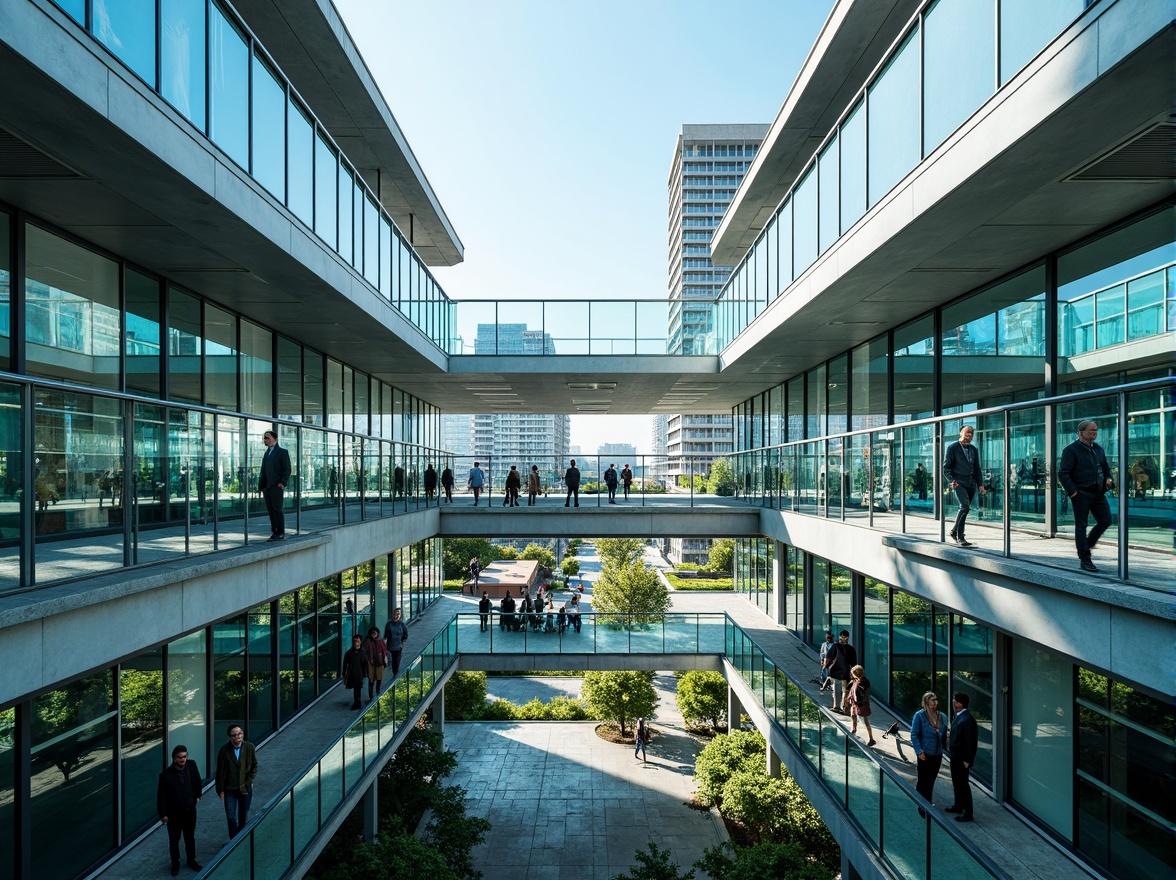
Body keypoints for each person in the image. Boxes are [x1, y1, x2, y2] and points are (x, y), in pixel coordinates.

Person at [1058, 420, 1114, 573]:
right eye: (1090, 431)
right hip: (1081, 493)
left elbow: (1106, 469)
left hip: (1098, 493)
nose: (1094, 433)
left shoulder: (1098, 449)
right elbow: (1063, 473)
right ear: (1080, 433)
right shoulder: (1071, 450)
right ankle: (1084, 558)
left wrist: (1109, 479)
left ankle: (1087, 544)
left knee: (1106, 520)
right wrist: (1073, 492)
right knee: (1081, 525)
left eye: (1095, 430)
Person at [157, 744, 202, 875]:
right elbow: (161, 796)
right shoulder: (165, 775)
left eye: (184, 756)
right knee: (174, 840)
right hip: (174, 814)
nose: (182, 759)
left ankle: (191, 860)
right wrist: (163, 814)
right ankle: (175, 864)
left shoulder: (191, 765)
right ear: (174, 758)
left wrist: (197, 796)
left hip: (190, 811)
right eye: (179, 757)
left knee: (190, 838)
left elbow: (197, 781)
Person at [944, 425, 985, 547]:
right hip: (958, 482)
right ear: (961, 433)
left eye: (972, 433)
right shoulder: (952, 448)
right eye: (967, 432)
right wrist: (951, 480)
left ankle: (954, 531)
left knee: (965, 509)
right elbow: (946, 468)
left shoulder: (974, 449)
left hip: (971, 483)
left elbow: (977, 468)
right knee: (965, 507)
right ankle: (960, 537)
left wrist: (980, 484)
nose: (970, 435)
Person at [215, 725, 258, 839]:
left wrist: (249, 781)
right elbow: (220, 771)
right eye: (234, 735)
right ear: (230, 737)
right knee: (231, 816)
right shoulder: (224, 751)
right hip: (229, 789)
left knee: (243, 815)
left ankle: (241, 838)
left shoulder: (249, 747)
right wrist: (220, 789)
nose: (238, 736)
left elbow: (254, 766)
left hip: (245, 787)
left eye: (240, 733)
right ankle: (233, 841)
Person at [910, 692, 947, 817]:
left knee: (931, 779)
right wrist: (919, 751)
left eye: (936, 700)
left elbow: (945, 732)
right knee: (923, 779)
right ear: (926, 702)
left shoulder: (941, 716)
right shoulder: (919, 716)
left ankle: (928, 802)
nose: (935, 702)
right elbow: (914, 734)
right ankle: (922, 805)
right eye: (932, 700)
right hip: (925, 753)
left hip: (938, 752)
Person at [948, 691, 978, 822]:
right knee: (956, 782)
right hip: (955, 756)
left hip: (961, 758)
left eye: (955, 700)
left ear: (960, 703)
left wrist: (968, 760)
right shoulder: (960, 716)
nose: (953, 701)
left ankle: (968, 812)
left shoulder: (967, 719)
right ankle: (958, 805)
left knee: (963, 784)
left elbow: (971, 742)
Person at [258, 430, 291, 541]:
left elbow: (287, 469)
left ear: (275, 439)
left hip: (276, 486)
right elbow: (264, 470)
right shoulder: (267, 453)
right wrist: (262, 486)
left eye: (267, 438)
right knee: (270, 509)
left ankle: (280, 532)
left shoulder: (282, 452)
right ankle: (274, 531)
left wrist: (282, 483)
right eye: (264, 438)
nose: (265, 440)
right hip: (267, 487)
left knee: (277, 509)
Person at [823, 630, 857, 713]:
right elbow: (829, 657)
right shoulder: (845, 648)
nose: (843, 639)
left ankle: (841, 706)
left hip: (840, 672)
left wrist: (826, 666)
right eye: (842, 637)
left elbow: (829, 657)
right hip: (841, 672)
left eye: (844, 637)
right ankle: (840, 706)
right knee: (841, 690)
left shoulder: (843, 647)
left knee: (842, 690)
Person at [848, 665, 875, 746]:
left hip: (862, 704)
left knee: (865, 720)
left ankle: (871, 738)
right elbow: (853, 688)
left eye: (853, 674)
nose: (852, 676)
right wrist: (850, 695)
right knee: (852, 714)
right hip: (855, 702)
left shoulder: (864, 682)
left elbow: (865, 694)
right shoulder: (856, 680)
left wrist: (862, 701)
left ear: (857, 674)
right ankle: (854, 729)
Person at [342, 635, 368, 710]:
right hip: (352, 673)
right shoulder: (349, 653)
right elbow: (345, 664)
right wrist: (344, 673)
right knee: (355, 688)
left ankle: (358, 703)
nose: (357, 643)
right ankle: (357, 702)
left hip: (359, 673)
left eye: (358, 641)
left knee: (357, 688)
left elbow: (365, 663)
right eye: (355, 641)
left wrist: (364, 674)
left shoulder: (362, 652)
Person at [363, 626, 388, 701]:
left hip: (379, 663)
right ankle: (371, 696)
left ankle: (378, 693)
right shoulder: (367, 641)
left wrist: (384, 661)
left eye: (375, 633)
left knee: (379, 679)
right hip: (370, 664)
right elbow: (363, 652)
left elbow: (384, 652)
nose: (374, 634)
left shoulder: (380, 641)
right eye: (372, 633)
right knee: (371, 680)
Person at [383, 608, 409, 675]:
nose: (395, 616)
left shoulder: (401, 624)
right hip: (390, 647)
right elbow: (385, 635)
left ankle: (395, 675)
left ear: (400, 615)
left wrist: (403, 640)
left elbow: (405, 633)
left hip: (398, 646)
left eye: (397, 614)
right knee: (391, 661)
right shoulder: (389, 624)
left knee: (396, 663)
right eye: (394, 614)